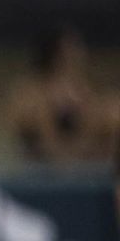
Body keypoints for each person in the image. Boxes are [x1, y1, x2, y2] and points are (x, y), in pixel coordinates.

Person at [7, 25, 120, 165]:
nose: (78, 52)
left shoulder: (81, 88)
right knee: (41, 109)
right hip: (43, 156)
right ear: (57, 53)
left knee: (114, 107)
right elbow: (21, 123)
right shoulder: (31, 89)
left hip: (81, 150)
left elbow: (97, 121)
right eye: (72, 47)